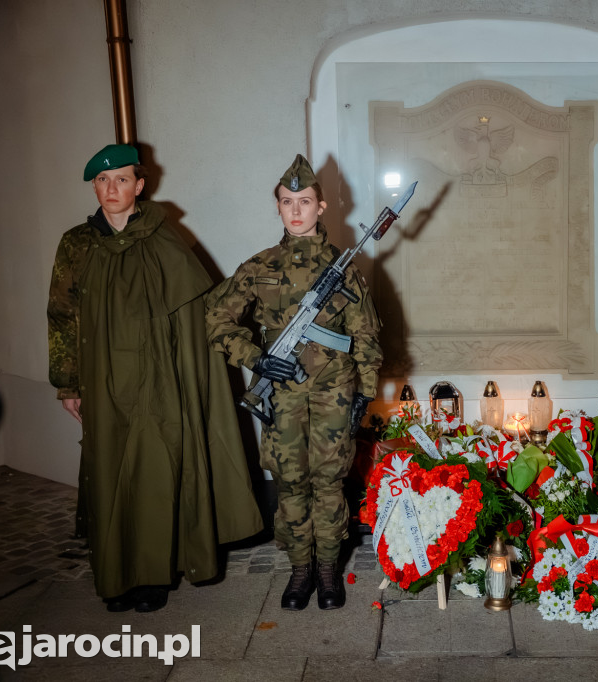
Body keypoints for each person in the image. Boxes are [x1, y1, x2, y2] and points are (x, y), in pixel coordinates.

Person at [47, 144, 264, 612]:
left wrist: (196, 377)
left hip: (161, 376)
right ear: (94, 187)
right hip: (104, 379)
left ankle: (154, 576)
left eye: (122, 179)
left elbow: (194, 314)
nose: (112, 188)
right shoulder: (76, 245)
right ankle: (117, 577)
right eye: (103, 181)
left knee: (159, 470)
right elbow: (62, 317)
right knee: (112, 473)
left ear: (140, 185)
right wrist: (68, 383)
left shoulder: (165, 238)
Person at [206, 154, 382, 611]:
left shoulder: (344, 269)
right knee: (290, 483)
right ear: (278, 207)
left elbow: (365, 335)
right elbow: (216, 319)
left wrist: (364, 391)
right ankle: (300, 570)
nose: (296, 210)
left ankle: (328, 570)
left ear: (321, 207)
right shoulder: (258, 266)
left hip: (334, 391)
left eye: (305, 201)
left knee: (330, 482)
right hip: (281, 394)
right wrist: (257, 359)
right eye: (287, 202)